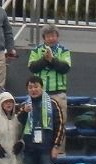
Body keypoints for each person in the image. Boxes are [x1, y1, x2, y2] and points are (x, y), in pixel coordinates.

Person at [16, 77, 64, 164]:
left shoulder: (52, 103)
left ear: (42, 87)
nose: (33, 90)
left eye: (36, 86)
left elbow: (60, 125)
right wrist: (24, 112)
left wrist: (56, 146)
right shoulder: (23, 105)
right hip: (28, 149)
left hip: (46, 149)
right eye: (30, 87)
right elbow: (17, 123)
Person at [27, 27, 72, 155]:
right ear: (44, 38)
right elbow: (32, 67)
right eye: (48, 36)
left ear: (57, 36)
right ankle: (41, 150)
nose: (51, 38)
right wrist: (44, 60)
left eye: (53, 35)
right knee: (39, 122)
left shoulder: (64, 51)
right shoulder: (36, 51)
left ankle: (60, 152)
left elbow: (65, 68)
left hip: (58, 92)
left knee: (60, 123)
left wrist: (52, 60)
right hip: (40, 94)